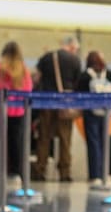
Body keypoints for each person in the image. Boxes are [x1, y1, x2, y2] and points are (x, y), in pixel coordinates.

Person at [33, 36, 82, 182]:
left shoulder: (47, 57)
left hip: (46, 102)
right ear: (72, 47)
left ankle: (40, 170)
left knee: (44, 137)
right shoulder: (75, 60)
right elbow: (77, 83)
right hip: (65, 103)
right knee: (65, 139)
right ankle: (64, 172)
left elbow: (37, 78)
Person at [0, 41, 33, 181]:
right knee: (15, 142)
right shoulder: (23, 69)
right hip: (18, 110)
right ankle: (16, 172)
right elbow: (28, 89)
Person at [76, 51, 111, 187]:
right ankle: (106, 174)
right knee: (106, 143)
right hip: (107, 113)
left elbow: (78, 91)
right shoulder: (109, 74)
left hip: (90, 112)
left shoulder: (85, 75)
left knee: (93, 144)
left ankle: (94, 175)